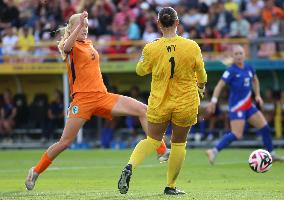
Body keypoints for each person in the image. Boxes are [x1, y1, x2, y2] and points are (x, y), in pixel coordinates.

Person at [25, 11, 169, 190]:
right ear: (72, 28)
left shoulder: (88, 44)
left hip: (102, 96)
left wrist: (80, 26)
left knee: (143, 110)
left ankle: (162, 151)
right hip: (82, 100)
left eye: (86, 26)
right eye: (81, 26)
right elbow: (67, 46)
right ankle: (36, 171)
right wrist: (78, 26)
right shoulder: (68, 46)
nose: (84, 29)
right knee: (65, 142)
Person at [118, 7, 207, 195]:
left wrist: (150, 60)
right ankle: (170, 186)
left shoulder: (151, 48)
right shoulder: (191, 46)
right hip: (186, 100)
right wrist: (201, 86)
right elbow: (201, 74)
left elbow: (140, 71)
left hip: (160, 100)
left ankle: (129, 166)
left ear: (159, 24)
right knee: (178, 143)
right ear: (177, 23)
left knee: (152, 139)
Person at [206, 45, 284, 165]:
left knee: (265, 127)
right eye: (236, 54)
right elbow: (219, 85)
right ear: (232, 56)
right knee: (237, 134)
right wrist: (213, 101)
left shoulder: (248, 68)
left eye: (241, 53)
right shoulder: (231, 70)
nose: (239, 56)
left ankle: (271, 154)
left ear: (245, 55)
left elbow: (255, 80)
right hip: (237, 107)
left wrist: (257, 95)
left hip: (248, 105)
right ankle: (213, 150)